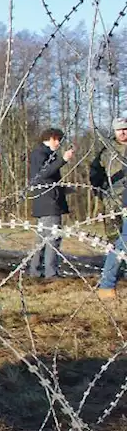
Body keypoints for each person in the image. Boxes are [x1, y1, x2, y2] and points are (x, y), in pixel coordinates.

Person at [27, 128, 75, 279]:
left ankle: (35, 271)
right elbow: (43, 174)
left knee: (42, 238)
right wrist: (63, 160)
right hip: (49, 204)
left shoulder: (41, 153)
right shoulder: (41, 154)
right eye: (58, 141)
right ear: (53, 138)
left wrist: (63, 189)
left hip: (46, 201)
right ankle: (51, 273)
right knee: (53, 237)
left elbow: (46, 179)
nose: (59, 145)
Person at [91, 117, 127, 299]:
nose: (123, 132)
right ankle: (109, 280)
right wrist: (100, 192)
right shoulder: (106, 152)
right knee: (118, 240)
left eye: (126, 129)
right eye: (120, 129)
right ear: (114, 131)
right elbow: (95, 174)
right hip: (114, 201)